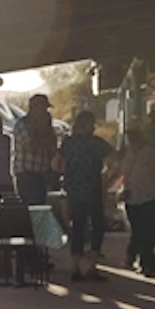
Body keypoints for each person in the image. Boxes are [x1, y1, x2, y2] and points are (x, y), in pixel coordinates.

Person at [55, 110, 115, 282]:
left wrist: (65, 175)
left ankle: (75, 267)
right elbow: (114, 159)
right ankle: (92, 266)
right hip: (93, 188)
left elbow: (56, 163)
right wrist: (108, 176)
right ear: (89, 125)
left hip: (74, 188)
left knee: (78, 226)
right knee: (97, 226)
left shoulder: (68, 143)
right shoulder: (96, 143)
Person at [120, 120, 155, 277]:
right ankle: (138, 258)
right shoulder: (125, 151)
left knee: (150, 233)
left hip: (151, 196)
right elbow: (120, 172)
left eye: (134, 132)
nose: (131, 136)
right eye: (129, 133)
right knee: (138, 231)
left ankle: (149, 266)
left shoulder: (153, 151)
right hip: (132, 197)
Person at [11, 93, 57, 205]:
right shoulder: (23, 125)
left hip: (42, 175)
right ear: (35, 108)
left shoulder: (48, 129)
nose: (46, 112)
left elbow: (53, 149)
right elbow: (33, 146)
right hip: (27, 175)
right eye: (44, 108)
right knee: (32, 207)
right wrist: (43, 130)